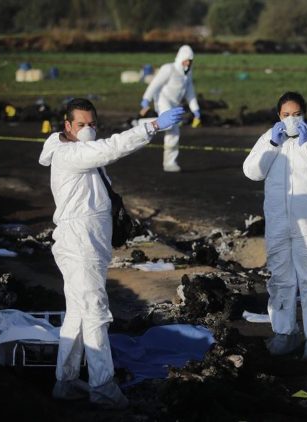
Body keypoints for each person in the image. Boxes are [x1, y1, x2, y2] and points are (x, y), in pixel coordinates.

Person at [39, 98, 184, 408]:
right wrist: (152, 126)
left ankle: (66, 381)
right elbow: (111, 148)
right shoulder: (69, 154)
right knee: (95, 313)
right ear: (68, 126)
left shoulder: (82, 151)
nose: (88, 129)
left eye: (92, 124)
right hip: (81, 245)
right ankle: (103, 386)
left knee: (79, 313)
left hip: (88, 243)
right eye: (81, 125)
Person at [243, 92, 307, 359]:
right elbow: (251, 171)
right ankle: (285, 332)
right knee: (280, 279)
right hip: (278, 221)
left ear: (305, 114)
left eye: (296, 114)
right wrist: (273, 144)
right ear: (278, 116)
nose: (291, 119)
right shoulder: (270, 137)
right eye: (286, 115)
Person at [140, 44, 201, 172]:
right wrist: (146, 100)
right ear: (180, 58)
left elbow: (190, 92)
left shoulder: (188, 74)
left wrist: (195, 109)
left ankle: (170, 163)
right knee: (169, 123)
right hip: (163, 100)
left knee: (174, 132)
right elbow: (155, 84)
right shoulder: (168, 69)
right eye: (186, 60)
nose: (188, 63)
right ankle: (141, 124)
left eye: (190, 61)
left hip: (175, 104)